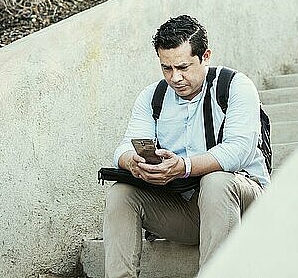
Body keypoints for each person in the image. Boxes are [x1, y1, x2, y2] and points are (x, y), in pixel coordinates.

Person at [103, 15, 270, 278]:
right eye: (166, 68)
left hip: (242, 202)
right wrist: (132, 162)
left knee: (216, 181)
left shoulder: (235, 86)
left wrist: (183, 167)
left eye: (183, 67)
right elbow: (124, 147)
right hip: (188, 211)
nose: (175, 77)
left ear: (205, 56)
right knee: (121, 193)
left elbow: (238, 150)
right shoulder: (153, 96)